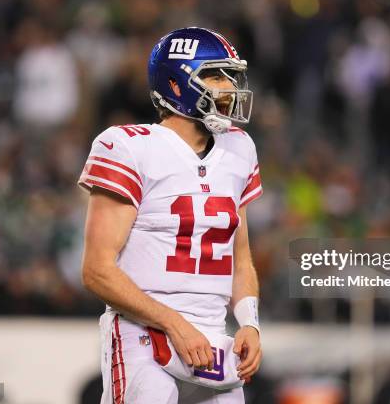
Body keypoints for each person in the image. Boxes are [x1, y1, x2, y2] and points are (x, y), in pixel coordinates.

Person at [78, 27, 262, 404]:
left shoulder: (240, 148)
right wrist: (173, 322)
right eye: (216, 75)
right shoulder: (127, 146)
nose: (228, 88)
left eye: (230, 77)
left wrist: (250, 323)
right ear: (178, 84)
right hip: (143, 336)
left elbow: (240, 259)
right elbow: (97, 270)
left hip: (213, 342)